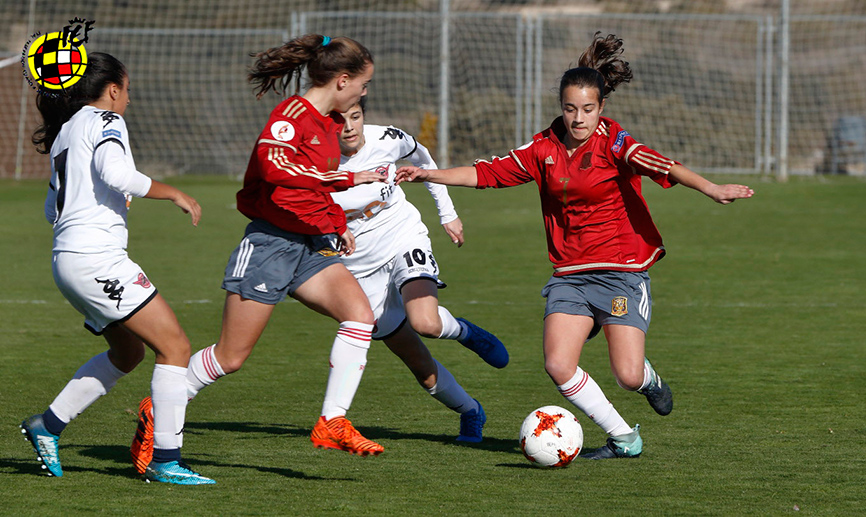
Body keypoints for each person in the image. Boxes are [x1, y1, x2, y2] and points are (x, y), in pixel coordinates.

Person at [396, 33, 754, 459]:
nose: (578, 118)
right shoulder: (543, 148)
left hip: (621, 271)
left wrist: (710, 188)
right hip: (570, 275)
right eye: (570, 109)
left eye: (587, 109)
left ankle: (647, 379)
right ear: (561, 108)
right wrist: (428, 175)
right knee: (558, 365)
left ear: (601, 108)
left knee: (627, 375)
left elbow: (662, 164)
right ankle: (625, 438)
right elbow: (488, 172)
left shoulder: (614, 142)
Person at [128, 34, 388, 469]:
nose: (365, 92)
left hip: (309, 243)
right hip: (269, 245)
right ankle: (161, 405)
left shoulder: (329, 124)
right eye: (363, 84)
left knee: (360, 316)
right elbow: (275, 167)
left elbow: (312, 182)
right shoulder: (291, 115)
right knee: (231, 357)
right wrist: (348, 180)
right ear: (342, 80)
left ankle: (332, 421)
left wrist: (336, 224)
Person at [19, 52, 213, 484]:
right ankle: (166, 460)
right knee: (176, 348)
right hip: (95, 260)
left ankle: (47, 426)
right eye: (127, 89)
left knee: (129, 352)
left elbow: (54, 207)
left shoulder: (67, 131)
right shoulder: (107, 122)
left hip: (67, 260)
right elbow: (117, 173)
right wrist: (172, 193)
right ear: (112, 90)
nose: (128, 98)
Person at [332, 98, 509, 442]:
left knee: (425, 322)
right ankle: (471, 411)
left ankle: (465, 332)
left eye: (355, 117)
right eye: (340, 121)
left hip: (401, 235)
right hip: (356, 264)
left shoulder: (386, 138)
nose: (350, 127)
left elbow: (422, 157)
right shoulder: (312, 159)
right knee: (415, 361)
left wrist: (447, 213)